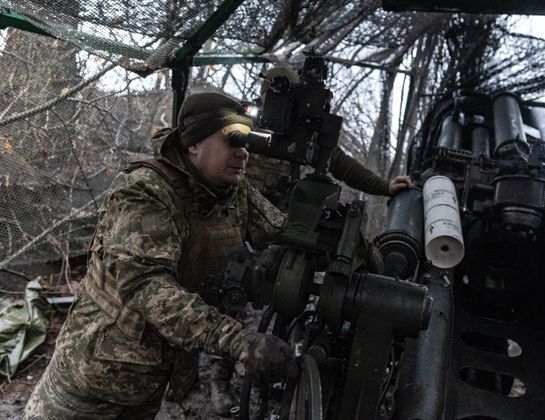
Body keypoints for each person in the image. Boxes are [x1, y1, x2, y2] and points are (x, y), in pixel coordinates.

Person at [24, 92, 295, 419]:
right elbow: (147, 287)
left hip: (149, 377)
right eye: (231, 139)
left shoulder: (233, 191)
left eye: (246, 142)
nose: (242, 152)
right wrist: (237, 340)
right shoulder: (145, 190)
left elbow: (286, 232)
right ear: (193, 144)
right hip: (90, 376)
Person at [247, 65, 413, 206]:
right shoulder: (245, 121)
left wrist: (385, 187)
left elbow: (342, 165)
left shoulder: (303, 134)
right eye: (274, 94)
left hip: (271, 218)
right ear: (264, 95)